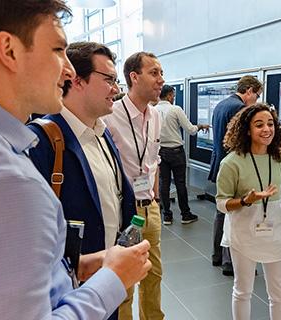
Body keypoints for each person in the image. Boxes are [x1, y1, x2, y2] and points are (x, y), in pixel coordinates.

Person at [0, 1, 151, 319]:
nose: (67, 70)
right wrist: (112, 281)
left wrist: (70, 268)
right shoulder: (5, 184)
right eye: (57, 50)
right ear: (8, 50)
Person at [28, 42, 137, 319]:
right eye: (109, 80)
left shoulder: (102, 131)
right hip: (71, 292)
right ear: (76, 80)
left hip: (106, 277)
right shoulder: (42, 141)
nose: (116, 89)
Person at [104, 51, 165, 320]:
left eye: (161, 73)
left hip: (149, 207)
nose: (161, 79)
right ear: (134, 76)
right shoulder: (109, 116)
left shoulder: (156, 116)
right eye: (154, 73)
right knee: (125, 282)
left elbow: (154, 160)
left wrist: (155, 197)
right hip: (124, 210)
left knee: (154, 273)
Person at [216, 103, 281, 320]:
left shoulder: (278, 158)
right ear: (247, 130)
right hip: (243, 233)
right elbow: (221, 203)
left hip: (275, 232)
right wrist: (245, 201)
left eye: (270, 124)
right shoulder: (231, 163)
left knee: (279, 294)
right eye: (259, 125)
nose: (267, 129)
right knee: (243, 291)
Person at [208, 75, 263, 275]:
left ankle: (217, 255)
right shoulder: (241, 109)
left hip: (220, 165)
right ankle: (231, 262)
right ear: (248, 90)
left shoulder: (221, 105)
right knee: (236, 216)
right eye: (256, 96)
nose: (255, 100)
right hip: (236, 169)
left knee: (221, 212)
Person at [156, 84, 209, 225]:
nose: (174, 97)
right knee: (180, 183)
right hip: (176, 152)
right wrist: (201, 126)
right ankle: (185, 215)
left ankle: (167, 216)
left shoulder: (153, 110)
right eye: (173, 95)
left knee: (164, 184)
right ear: (168, 95)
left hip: (160, 151)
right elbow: (191, 130)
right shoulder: (175, 109)